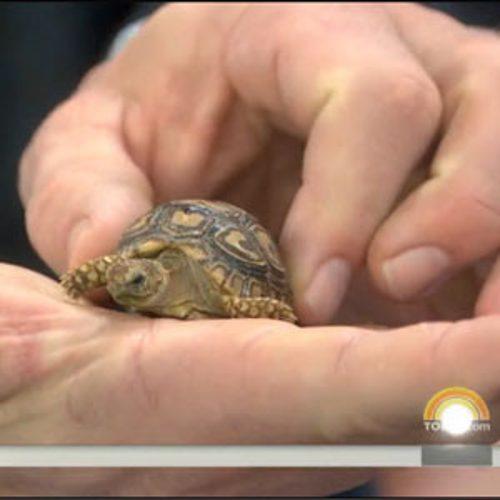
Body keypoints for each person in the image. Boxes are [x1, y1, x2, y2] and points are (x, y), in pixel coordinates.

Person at [4, 2, 500, 496]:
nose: (126, 280)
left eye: (136, 277)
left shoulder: (215, 288)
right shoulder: (124, 268)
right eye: (130, 276)